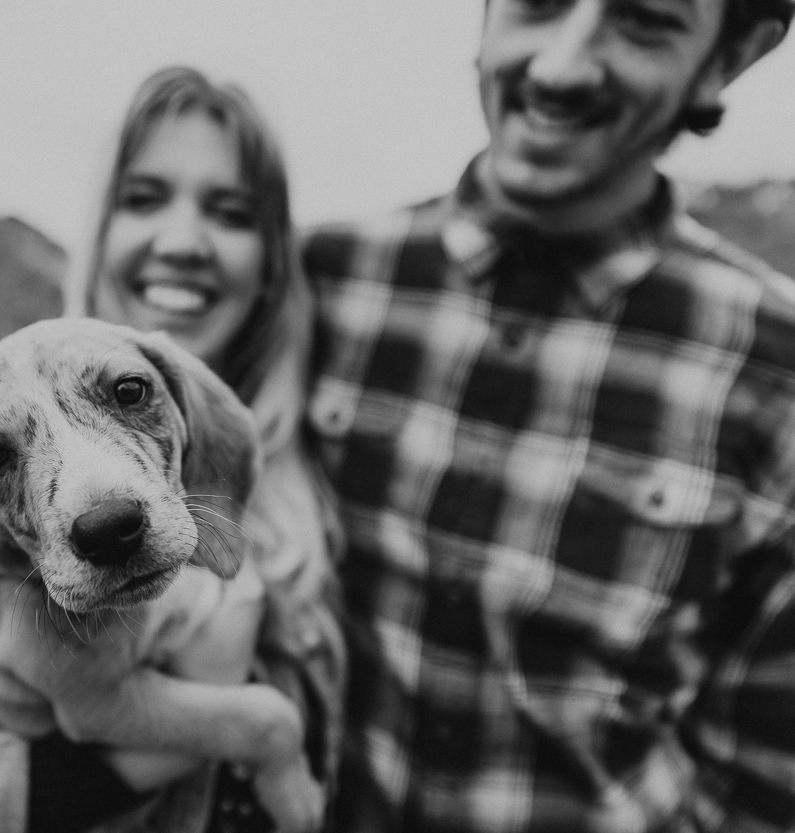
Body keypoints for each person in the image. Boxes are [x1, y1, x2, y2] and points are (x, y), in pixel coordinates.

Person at [0, 67, 345, 833]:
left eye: (125, 394)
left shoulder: (326, 467)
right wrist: (161, 746)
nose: (181, 241)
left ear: (274, 255)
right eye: (143, 198)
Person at [299, 1, 795, 831]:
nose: (561, 67)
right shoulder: (322, 285)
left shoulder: (775, 370)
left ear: (728, 57)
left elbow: (766, 783)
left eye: (642, 21)